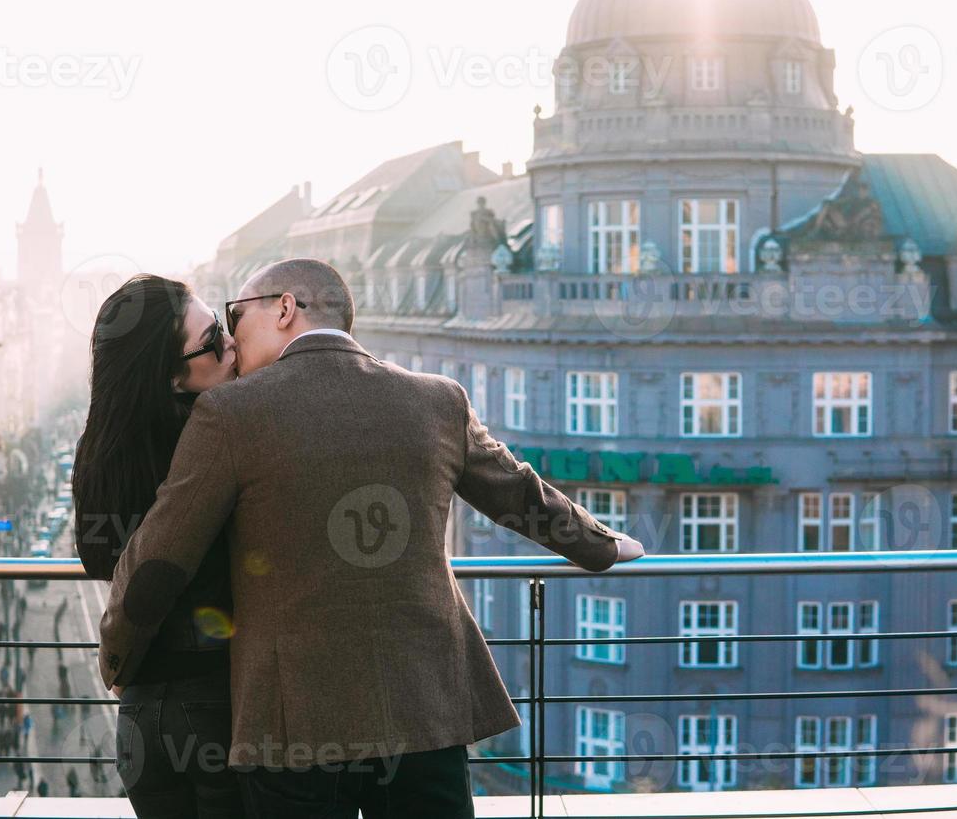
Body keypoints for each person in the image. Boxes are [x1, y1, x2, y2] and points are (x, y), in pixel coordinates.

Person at [98, 258, 644, 818]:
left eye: (236, 315)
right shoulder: (437, 399)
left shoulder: (229, 413)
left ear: (285, 308)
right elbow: (520, 496)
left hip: (294, 729)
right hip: (424, 713)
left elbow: (159, 558)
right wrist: (602, 545)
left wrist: (116, 659)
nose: (231, 336)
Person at [73, 274, 245, 818]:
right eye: (214, 337)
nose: (232, 343)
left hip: (142, 716)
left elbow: (101, 558)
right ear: (173, 376)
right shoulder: (214, 438)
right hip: (216, 702)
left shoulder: (103, 447)